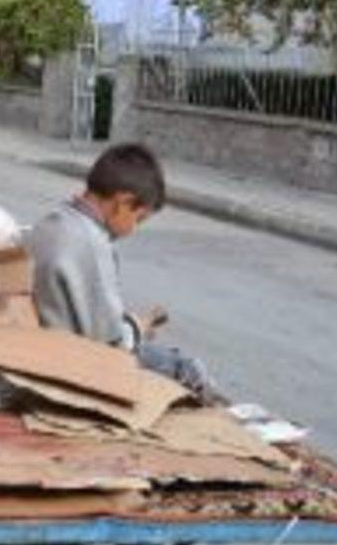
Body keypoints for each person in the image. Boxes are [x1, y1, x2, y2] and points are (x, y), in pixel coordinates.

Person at [28, 143, 215, 397]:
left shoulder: (53, 220)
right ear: (122, 203)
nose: (134, 228)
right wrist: (139, 326)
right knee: (189, 368)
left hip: (45, 342)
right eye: (139, 219)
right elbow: (113, 343)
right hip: (72, 362)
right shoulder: (93, 245)